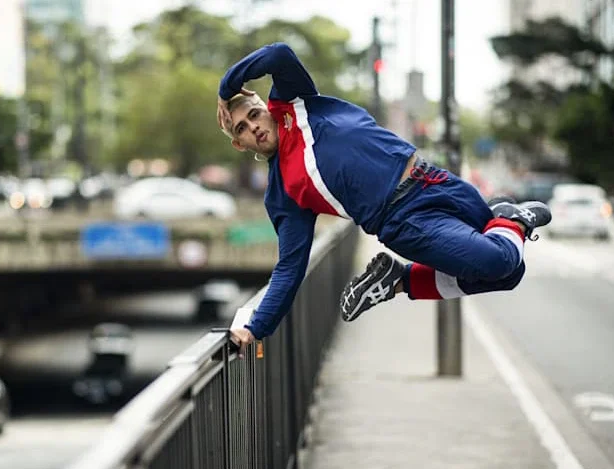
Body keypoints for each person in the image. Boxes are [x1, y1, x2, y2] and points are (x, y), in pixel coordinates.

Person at [218, 43, 551, 356]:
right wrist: (256, 327)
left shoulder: (294, 101)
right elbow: (290, 267)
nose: (253, 127)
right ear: (239, 144)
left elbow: (278, 54)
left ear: (264, 106)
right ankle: (512, 217)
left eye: (253, 114)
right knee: (498, 261)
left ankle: (398, 279)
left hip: (431, 179)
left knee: (510, 273)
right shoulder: (282, 194)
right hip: (404, 220)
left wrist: (226, 87)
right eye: (241, 129)